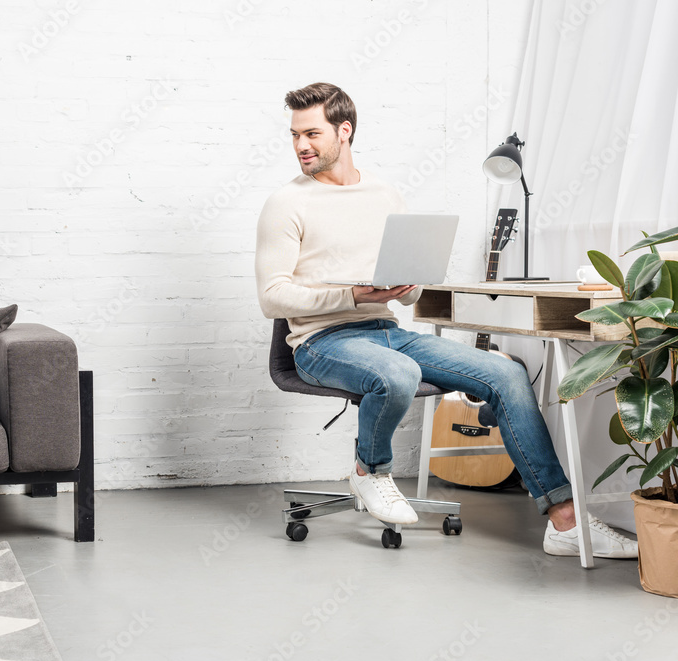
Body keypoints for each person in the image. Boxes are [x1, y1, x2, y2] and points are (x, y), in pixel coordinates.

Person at [255, 82, 636, 558]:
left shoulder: (383, 193)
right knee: (398, 374)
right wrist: (351, 294)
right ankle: (367, 471)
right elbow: (272, 298)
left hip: (385, 330)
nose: (301, 146)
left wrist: (406, 286)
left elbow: (410, 288)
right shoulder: (287, 203)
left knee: (505, 371)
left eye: (311, 133)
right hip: (319, 343)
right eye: (294, 135)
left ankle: (564, 522)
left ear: (344, 130)